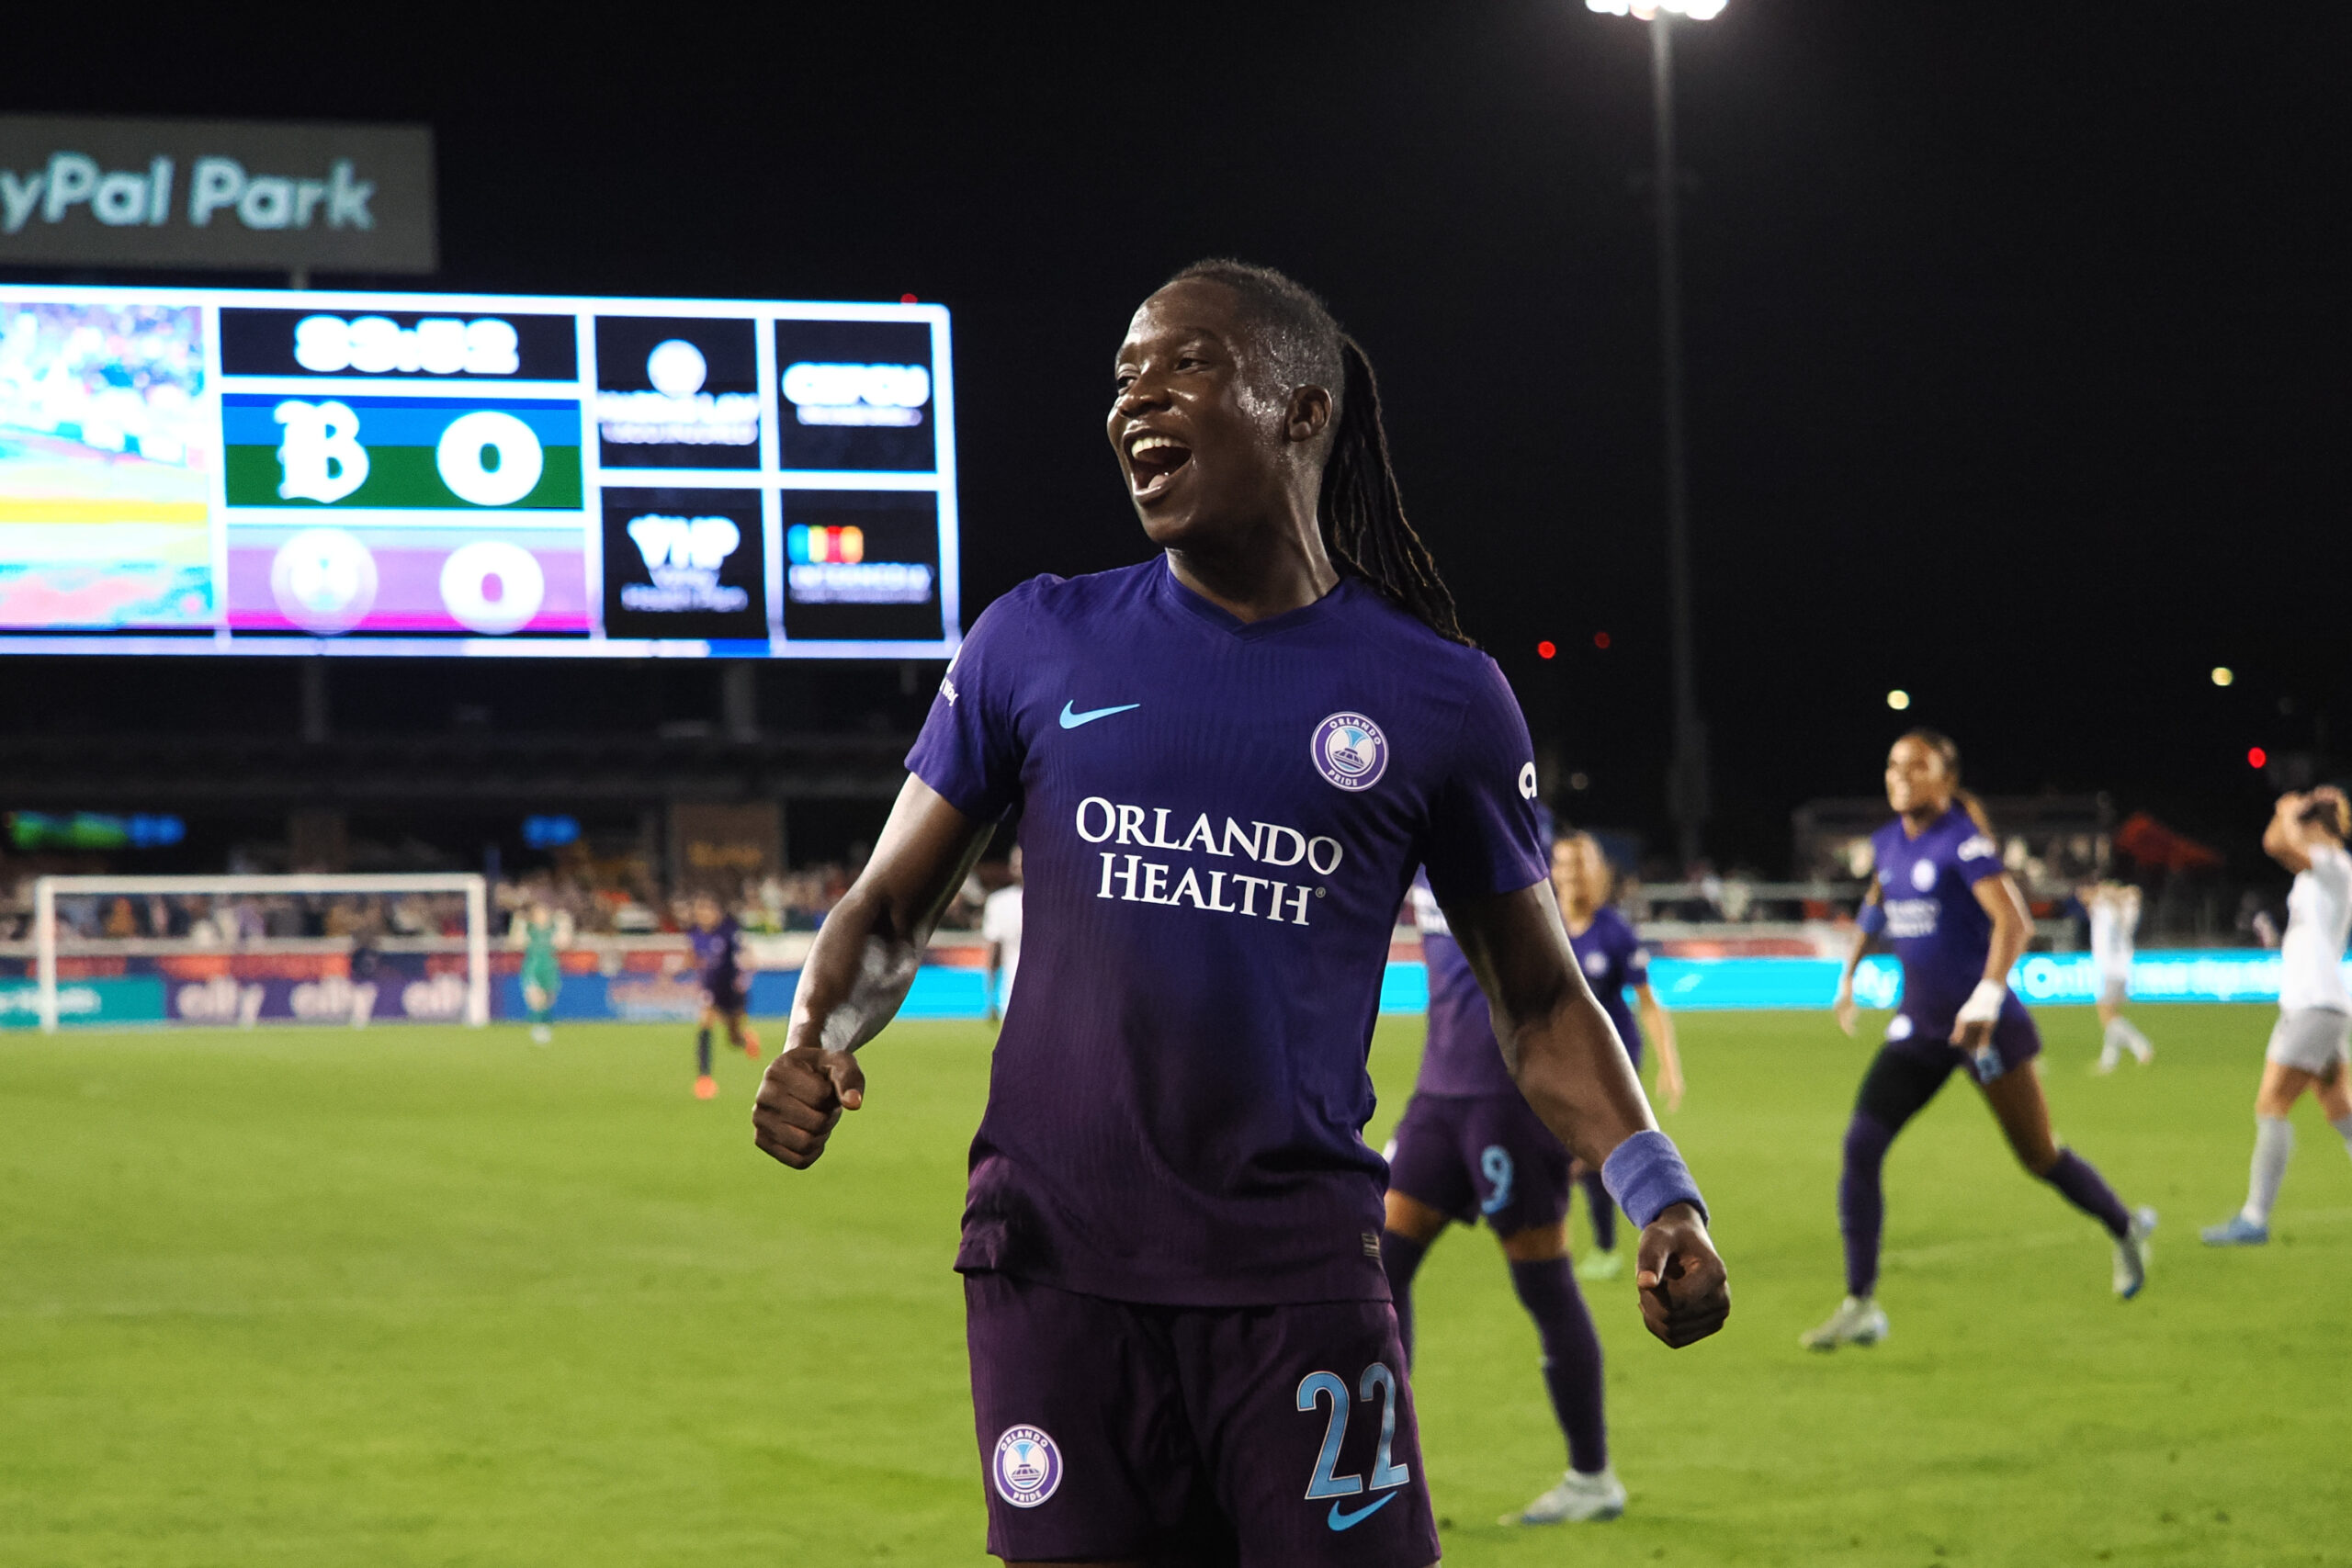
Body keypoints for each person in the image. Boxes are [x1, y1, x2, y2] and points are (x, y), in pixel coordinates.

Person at [752, 259, 1729, 1568]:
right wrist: (820, 1027)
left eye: (1184, 363)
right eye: (1122, 378)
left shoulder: (1439, 695)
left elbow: (1541, 997)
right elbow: (887, 903)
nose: (1136, 399)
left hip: (1300, 1278)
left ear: (1302, 408)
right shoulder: (1033, 641)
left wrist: (1661, 1191)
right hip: (1055, 1267)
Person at [1805, 729, 2154, 1350]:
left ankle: (2125, 1228)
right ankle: (1861, 1302)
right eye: (1893, 764)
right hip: (1919, 1027)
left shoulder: (1961, 840)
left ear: (1945, 779)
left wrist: (1988, 996)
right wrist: (1849, 973)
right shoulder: (1887, 842)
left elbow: (2013, 921)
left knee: (2039, 1155)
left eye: (1919, 765)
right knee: (1860, 1146)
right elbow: (1875, 903)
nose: (1902, 775)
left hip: (1984, 1028)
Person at [1384, 870, 1623, 1527]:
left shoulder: (1497, 814)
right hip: (1437, 1095)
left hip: (1508, 1099)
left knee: (1543, 1283)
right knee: (1378, 1268)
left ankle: (1591, 1475)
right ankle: (1381, 1464)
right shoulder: (1411, 820)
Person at [2201, 787, 2352, 1246]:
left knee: (2272, 1104)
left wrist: (2285, 810)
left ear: (2316, 828)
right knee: (2340, 1107)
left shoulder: (2333, 864)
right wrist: (2285, 813)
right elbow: (2277, 844)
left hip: (2315, 1004)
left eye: (2303, 824)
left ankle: (2255, 1218)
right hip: (2317, 1004)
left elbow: (2277, 844)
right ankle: (2254, 1217)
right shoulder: (2321, 870)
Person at [1552, 831, 1685, 1282]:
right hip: (1561, 1060)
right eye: (1561, 864)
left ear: (1593, 872)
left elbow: (1648, 1002)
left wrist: (1670, 1064)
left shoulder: (1613, 932)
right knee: (1578, 1154)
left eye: (1577, 865)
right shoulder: (1545, 929)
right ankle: (1597, 1245)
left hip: (1612, 1060)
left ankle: (1600, 1246)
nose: (1568, 874)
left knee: (1584, 1155)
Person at [689, 894, 759, 1099]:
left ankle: (746, 1040)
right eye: (700, 912)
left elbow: (748, 957)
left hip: (732, 993)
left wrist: (744, 978)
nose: (704, 915)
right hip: (712, 993)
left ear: (716, 913)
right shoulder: (695, 936)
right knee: (705, 1023)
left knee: (733, 1039)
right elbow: (694, 959)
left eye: (707, 911)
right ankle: (704, 1079)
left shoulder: (729, 933)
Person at [2081, 880, 2154, 1071]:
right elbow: (2132, 893)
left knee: (2106, 1014)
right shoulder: (2127, 909)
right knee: (2113, 1014)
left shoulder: (2106, 910)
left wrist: (2105, 893)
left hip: (2111, 968)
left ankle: (2140, 1045)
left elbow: (2088, 895)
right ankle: (2109, 1060)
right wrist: (2113, 893)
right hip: (2123, 966)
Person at [514, 898, 569, 1045]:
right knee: (536, 1000)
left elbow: (564, 943)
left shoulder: (552, 930)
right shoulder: (529, 930)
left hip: (550, 968)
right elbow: (517, 943)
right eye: (538, 914)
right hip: (532, 968)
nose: (542, 916)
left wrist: (565, 925)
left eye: (544, 913)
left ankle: (545, 1028)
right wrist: (518, 924)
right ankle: (536, 1030)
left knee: (548, 1001)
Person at [982, 846, 1024, 1025]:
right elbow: (994, 952)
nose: (1019, 866)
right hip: (1012, 996)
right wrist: (990, 997)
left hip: (1052, 999)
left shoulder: (1055, 900)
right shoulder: (999, 903)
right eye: (1015, 862)